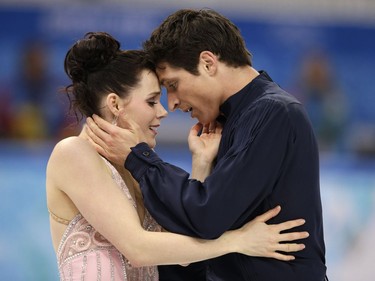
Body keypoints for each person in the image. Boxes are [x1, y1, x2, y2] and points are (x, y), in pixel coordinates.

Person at [84, 8, 328, 279]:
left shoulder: (274, 112)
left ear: (208, 63)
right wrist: (200, 165)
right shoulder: (236, 119)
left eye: (173, 85)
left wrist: (139, 159)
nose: (172, 104)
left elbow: (207, 216)